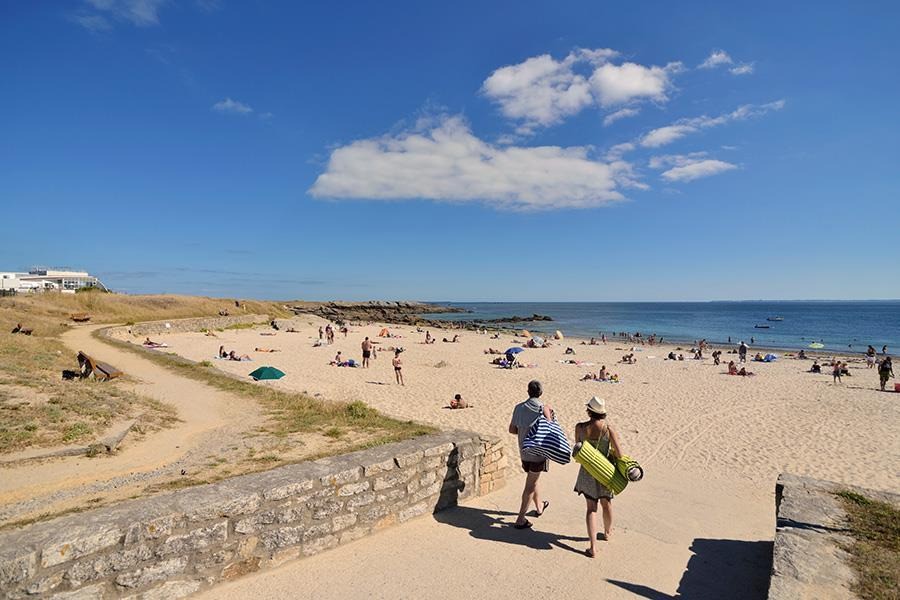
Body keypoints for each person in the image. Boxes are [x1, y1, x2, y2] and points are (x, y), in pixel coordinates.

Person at [573, 396, 623, 558]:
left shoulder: (580, 428)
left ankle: (593, 547)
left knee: (590, 508)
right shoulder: (608, 430)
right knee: (606, 503)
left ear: (589, 411)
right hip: (605, 471)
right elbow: (620, 454)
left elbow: (578, 448)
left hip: (587, 471)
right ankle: (607, 532)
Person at [508, 380, 553, 530]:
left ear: (528, 391)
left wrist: (524, 431)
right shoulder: (543, 408)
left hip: (523, 451)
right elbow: (550, 428)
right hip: (538, 453)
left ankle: (539, 507)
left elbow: (512, 430)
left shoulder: (518, 408)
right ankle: (520, 519)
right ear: (540, 393)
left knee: (533, 480)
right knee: (530, 485)